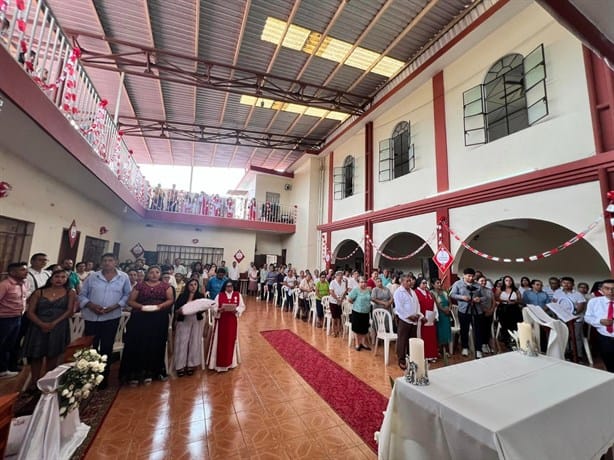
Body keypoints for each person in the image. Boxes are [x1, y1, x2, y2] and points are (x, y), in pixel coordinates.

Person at [79, 253, 132, 388]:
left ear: (116, 262)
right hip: (92, 316)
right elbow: (82, 295)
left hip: (111, 316)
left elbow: (127, 294)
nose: (107, 263)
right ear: (101, 262)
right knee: (92, 347)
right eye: (105, 260)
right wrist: (91, 305)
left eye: (110, 260)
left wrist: (115, 306)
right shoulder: (93, 276)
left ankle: (103, 378)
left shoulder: (123, 277)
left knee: (107, 347)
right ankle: (89, 376)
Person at [23, 269, 75, 392]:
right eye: (57, 276)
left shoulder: (70, 292)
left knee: (53, 354)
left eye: (63, 277)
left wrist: (53, 323)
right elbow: (30, 312)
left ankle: (47, 380)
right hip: (38, 325)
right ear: (51, 278)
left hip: (58, 325)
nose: (60, 279)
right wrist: (41, 324)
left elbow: (69, 311)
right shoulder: (39, 292)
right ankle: (34, 381)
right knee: (36, 354)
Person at [121, 266, 174, 385]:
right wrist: (141, 307)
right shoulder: (140, 285)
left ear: (160, 274)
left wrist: (160, 306)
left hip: (158, 318)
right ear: (147, 274)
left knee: (154, 343)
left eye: (157, 272)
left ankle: (151, 372)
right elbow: (130, 301)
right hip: (140, 318)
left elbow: (170, 300)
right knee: (138, 343)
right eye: (151, 272)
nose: (154, 275)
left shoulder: (166, 286)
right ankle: (135, 373)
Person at [207, 280, 245, 372]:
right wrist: (218, 310)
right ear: (224, 287)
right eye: (227, 286)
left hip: (232, 321)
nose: (229, 288)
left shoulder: (237, 295)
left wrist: (237, 310)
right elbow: (213, 307)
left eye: (231, 286)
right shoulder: (219, 295)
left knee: (230, 341)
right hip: (221, 322)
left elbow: (242, 306)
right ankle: (217, 364)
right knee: (220, 341)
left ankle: (230, 363)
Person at [0, 262, 29, 379]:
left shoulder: (22, 284)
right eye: (22, 270)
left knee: (10, 344)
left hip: (17, 317)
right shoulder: (5, 285)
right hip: (4, 319)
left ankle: (4, 368)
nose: (26, 272)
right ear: (12, 272)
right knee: (1, 344)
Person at [174, 279, 205, 377]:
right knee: (182, 342)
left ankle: (191, 364)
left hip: (196, 320)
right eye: (191, 285)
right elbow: (176, 309)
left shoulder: (200, 296)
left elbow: (203, 309)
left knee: (194, 341)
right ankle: (180, 366)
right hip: (184, 320)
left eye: (195, 284)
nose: (193, 286)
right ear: (187, 286)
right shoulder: (182, 296)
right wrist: (181, 311)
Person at [450, 268, 484, 358]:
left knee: (478, 330)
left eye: (472, 276)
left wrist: (479, 299)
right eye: (469, 276)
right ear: (464, 275)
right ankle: (465, 347)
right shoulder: (457, 284)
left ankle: (478, 349)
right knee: (464, 329)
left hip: (477, 310)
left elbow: (484, 296)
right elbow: (452, 294)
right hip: (464, 309)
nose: (470, 278)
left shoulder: (477, 285)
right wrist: (462, 297)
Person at [585, 279, 614, 372]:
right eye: (607, 288)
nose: (610, 291)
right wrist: (600, 321)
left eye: (613, 289)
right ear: (601, 289)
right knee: (609, 362)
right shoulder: (594, 302)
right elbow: (587, 317)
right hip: (604, 337)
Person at [393, 275, 421, 370]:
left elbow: (417, 304)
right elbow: (399, 307)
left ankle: (411, 359)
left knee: (412, 340)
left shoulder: (413, 292)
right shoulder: (398, 292)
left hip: (414, 320)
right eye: (408, 281)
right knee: (402, 340)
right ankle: (401, 360)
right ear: (402, 282)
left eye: (410, 281)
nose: (410, 282)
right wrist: (409, 316)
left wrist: (417, 314)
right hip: (404, 319)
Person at [495, 275, 522, 351]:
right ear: (504, 281)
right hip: (503, 308)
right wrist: (506, 301)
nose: (508, 282)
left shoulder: (515, 289)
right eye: (506, 280)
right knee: (505, 324)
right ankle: (506, 340)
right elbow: (496, 298)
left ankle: (514, 339)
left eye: (510, 280)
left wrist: (515, 301)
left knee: (515, 324)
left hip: (514, 308)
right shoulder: (500, 289)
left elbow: (520, 299)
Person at [415, 277, 438, 360]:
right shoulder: (416, 293)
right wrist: (422, 316)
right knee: (423, 338)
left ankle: (432, 355)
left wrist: (436, 316)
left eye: (425, 283)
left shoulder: (428, 293)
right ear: (419, 284)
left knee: (431, 338)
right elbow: (416, 307)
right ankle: (424, 356)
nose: (425, 285)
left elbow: (434, 305)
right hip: (422, 320)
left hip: (430, 319)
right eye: (423, 283)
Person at [347, 277, 372, 351]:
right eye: (361, 282)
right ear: (359, 283)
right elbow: (349, 299)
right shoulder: (356, 290)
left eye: (365, 282)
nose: (363, 283)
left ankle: (363, 343)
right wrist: (356, 304)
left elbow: (370, 299)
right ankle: (357, 343)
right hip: (357, 311)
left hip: (366, 311)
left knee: (364, 328)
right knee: (357, 328)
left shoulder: (368, 290)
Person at [431, 278, 451, 357]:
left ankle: (446, 349)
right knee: (439, 332)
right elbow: (436, 304)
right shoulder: (432, 293)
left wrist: (448, 309)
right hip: (439, 314)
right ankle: (439, 350)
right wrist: (444, 310)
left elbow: (450, 302)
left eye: (440, 283)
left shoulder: (445, 292)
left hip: (446, 314)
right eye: (437, 283)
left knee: (446, 331)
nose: (439, 284)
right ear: (433, 285)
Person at [477, 275, 495, 354]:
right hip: (481, 312)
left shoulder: (489, 290)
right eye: (481, 281)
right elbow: (477, 303)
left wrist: (491, 310)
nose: (483, 282)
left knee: (488, 329)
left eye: (485, 281)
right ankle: (482, 345)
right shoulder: (476, 291)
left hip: (490, 312)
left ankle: (486, 343)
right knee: (481, 329)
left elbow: (493, 301)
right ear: (477, 282)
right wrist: (485, 310)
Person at [328, 271, 346, 337]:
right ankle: (333, 331)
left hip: (340, 301)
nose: (340, 276)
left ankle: (338, 330)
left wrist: (341, 299)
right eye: (339, 275)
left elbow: (344, 292)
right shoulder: (333, 282)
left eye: (341, 275)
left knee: (339, 316)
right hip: (333, 301)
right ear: (336, 276)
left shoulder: (343, 283)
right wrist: (337, 299)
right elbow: (331, 292)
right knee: (334, 317)